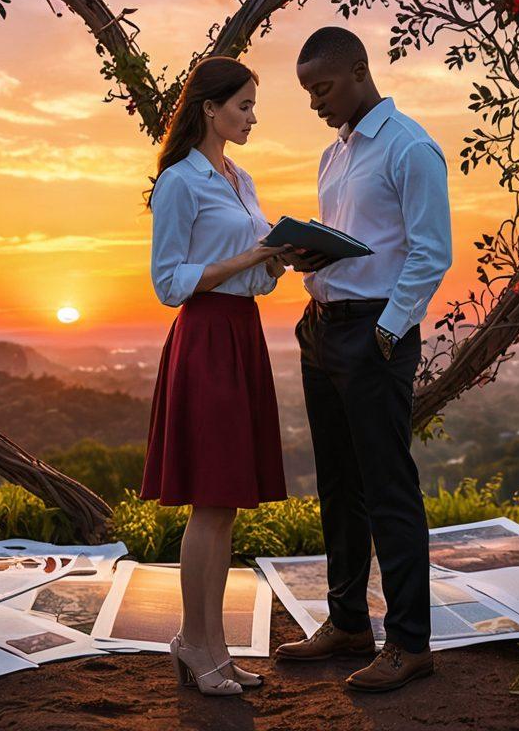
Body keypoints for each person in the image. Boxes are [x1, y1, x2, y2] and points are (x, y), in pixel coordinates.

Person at [274, 27, 452, 693]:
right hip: (322, 330)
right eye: (308, 93)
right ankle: (349, 621)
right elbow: (364, 246)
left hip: (374, 336)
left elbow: (432, 251)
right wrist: (309, 259)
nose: (316, 102)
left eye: (322, 88)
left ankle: (411, 642)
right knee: (338, 486)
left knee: (388, 490)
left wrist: (386, 331)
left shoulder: (411, 148)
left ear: (359, 70)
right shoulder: (333, 156)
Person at [140, 55, 290, 696]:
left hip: (242, 334)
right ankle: (197, 644)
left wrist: (276, 262)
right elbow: (169, 284)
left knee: (225, 505)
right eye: (244, 106)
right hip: (204, 338)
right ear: (210, 108)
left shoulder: (241, 177)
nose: (253, 117)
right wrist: (251, 255)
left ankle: (209, 645)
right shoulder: (180, 181)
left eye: (255, 106)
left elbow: (247, 271)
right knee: (210, 502)